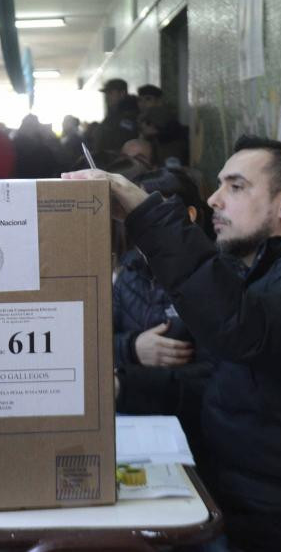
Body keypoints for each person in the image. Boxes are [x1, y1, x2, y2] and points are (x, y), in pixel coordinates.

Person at [67, 136, 281, 551]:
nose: (214, 199)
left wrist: (145, 211)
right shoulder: (268, 275)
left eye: (235, 187)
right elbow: (225, 386)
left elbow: (245, 330)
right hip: (263, 505)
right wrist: (124, 387)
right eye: (219, 186)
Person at [112, 168, 215, 462]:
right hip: (131, 423)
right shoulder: (128, 272)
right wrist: (132, 347)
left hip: (191, 433)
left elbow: (218, 376)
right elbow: (93, 345)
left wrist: (131, 383)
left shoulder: (214, 277)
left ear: (190, 215)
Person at [12, 113, 63, 179]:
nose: (31, 128)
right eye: (29, 125)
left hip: (32, 182)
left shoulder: (14, 143)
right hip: (38, 182)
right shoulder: (42, 147)